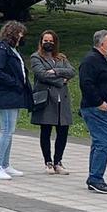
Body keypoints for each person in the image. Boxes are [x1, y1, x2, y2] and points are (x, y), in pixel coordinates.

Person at [80, 29, 107, 193]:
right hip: (97, 109)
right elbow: (86, 84)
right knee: (104, 142)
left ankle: (94, 176)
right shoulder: (91, 61)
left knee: (100, 143)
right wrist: (99, 102)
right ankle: (96, 178)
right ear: (101, 44)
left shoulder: (103, 60)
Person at [0, 21, 31, 180]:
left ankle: (5, 164)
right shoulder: (3, 50)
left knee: (10, 132)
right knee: (6, 131)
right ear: (13, 33)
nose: (22, 36)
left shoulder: (11, 50)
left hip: (13, 94)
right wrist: (14, 83)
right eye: (20, 33)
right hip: (6, 94)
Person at [31, 30, 75, 175]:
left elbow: (71, 71)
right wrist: (61, 80)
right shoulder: (36, 57)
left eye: (51, 41)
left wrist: (55, 71)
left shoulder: (61, 57)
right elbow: (41, 75)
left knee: (63, 131)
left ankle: (58, 161)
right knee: (46, 130)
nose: (48, 43)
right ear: (41, 41)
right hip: (47, 99)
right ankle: (48, 161)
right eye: (45, 40)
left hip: (62, 100)